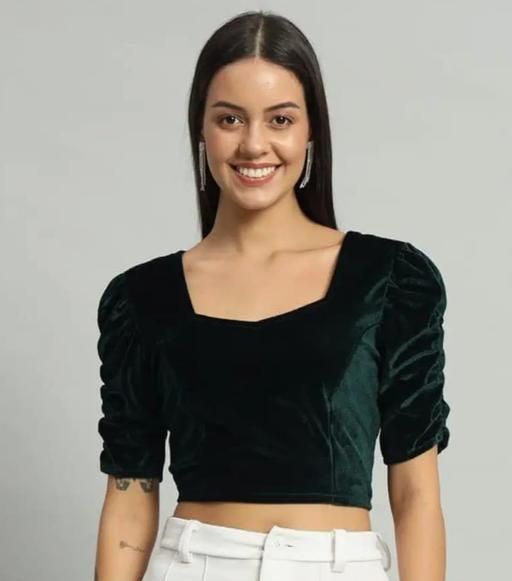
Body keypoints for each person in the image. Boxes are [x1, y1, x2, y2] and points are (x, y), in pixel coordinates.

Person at [94, 10, 451, 581]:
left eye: (280, 119)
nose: (254, 144)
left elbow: (416, 496)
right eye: (230, 119)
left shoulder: (389, 281)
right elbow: (129, 497)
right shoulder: (141, 299)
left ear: (311, 131)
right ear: (201, 130)